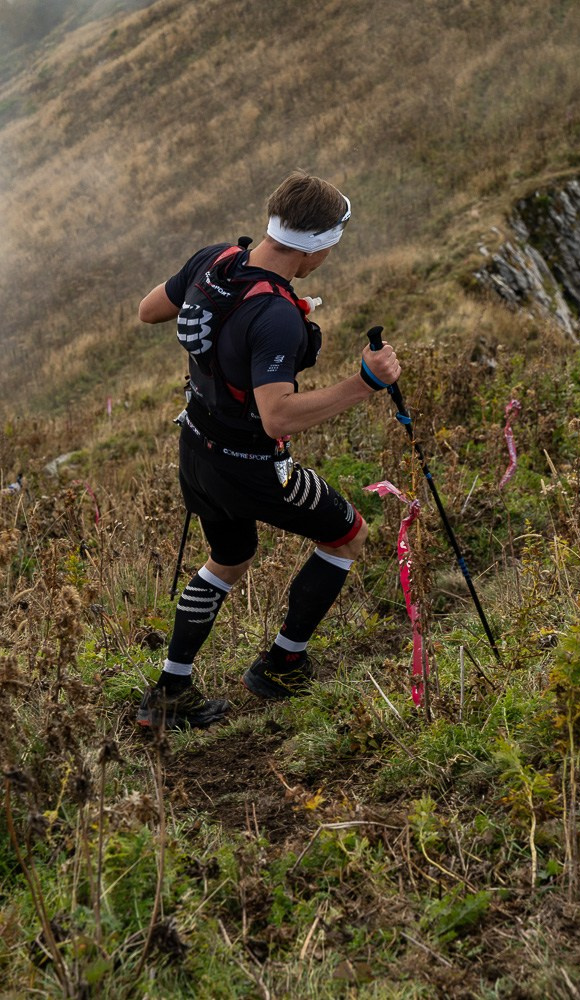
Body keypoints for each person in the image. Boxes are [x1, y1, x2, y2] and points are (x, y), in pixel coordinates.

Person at [136, 170, 401, 729]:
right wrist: (365, 383)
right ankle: (283, 665)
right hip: (248, 464)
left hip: (196, 449)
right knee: (347, 535)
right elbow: (277, 415)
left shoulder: (215, 261)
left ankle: (170, 692)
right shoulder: (277, 315)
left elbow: (150, 310)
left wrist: (226, 329)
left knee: (230, 558)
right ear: (318, 246)